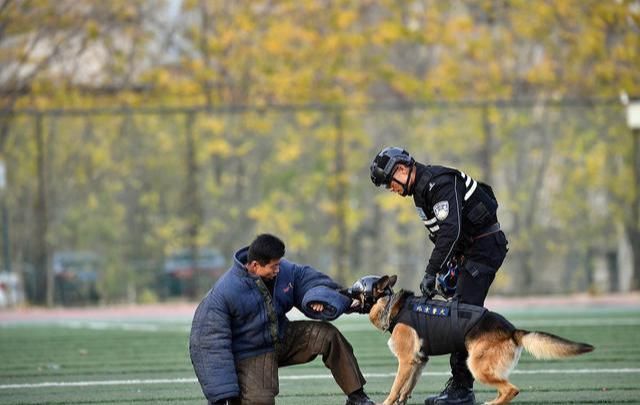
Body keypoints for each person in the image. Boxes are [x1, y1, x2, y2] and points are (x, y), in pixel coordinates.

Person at [369, 146, 508, 405]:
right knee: (457, 312)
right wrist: (449, 268)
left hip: (485, 247)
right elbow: (443, 237)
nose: (391, 188)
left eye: (390, 182)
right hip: (470, 251)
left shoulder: (438, 183)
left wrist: (432, 271)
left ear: (401, 169)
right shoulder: (421, 194)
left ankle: (462, 390)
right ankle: (460, 385)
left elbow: (451, 232)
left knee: (461, 315)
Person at [189, 233, 375, 405]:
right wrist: (222, 397)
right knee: (260, 401)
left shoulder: (283, 270)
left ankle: (357, 397)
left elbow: (306, 279)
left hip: (282, 336)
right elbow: (208, 342)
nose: (279, 269)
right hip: (251, 352)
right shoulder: (224, 292)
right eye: (274, 266)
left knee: (328, 336)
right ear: (255, 266)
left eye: (279, 264)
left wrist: (323, 297)